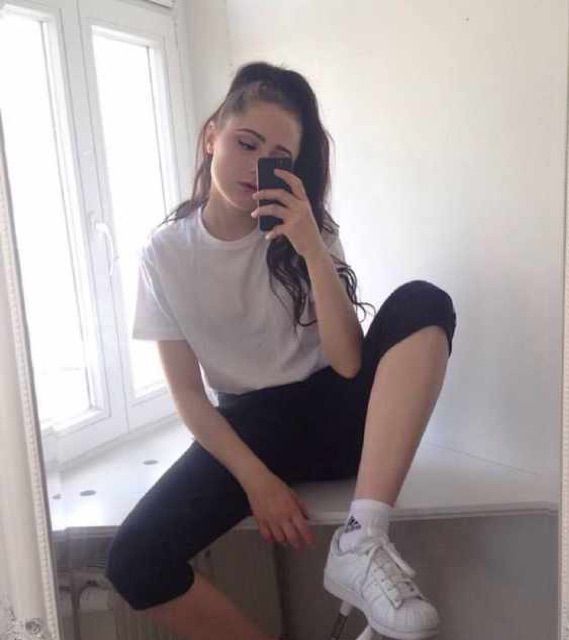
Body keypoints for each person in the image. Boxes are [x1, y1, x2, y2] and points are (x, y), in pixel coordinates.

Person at [105, 61, 456, 640]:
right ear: (212, 136)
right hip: (251, 432)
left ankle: (362, 539)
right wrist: (257, 481)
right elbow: (188, 396)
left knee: (424, 301)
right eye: (246, 144)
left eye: (277, 157)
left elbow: (348, 362)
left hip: (341, 415)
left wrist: (312, 248)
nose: (256, 165)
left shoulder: (306, 227)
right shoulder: (164, 254)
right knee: (134, 561)